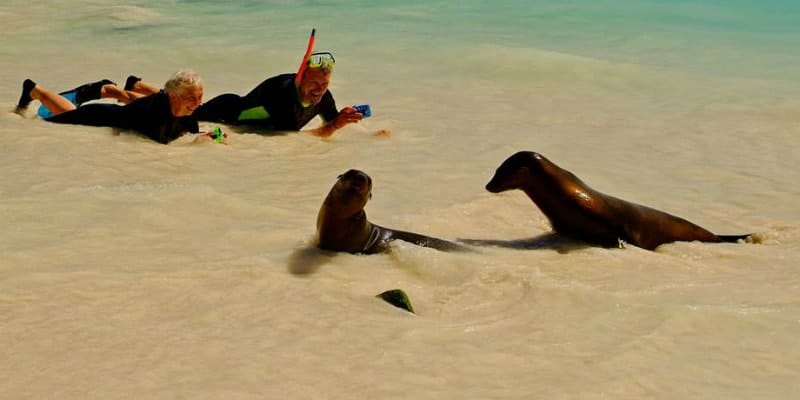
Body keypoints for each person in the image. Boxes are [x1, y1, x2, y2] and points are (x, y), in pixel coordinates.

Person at [15, 70, 227, 145]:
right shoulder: (154, 114)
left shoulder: (188, 112)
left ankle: (105, 88)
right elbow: (164, 143)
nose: (198, 103)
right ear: (174, 96)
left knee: (68, 112)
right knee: (49, 122)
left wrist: (213, 136)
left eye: (200, 97)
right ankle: (34, 90)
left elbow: (191, 133)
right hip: (99, 116)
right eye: (192, 98)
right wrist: (198, 143)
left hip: (118, 114)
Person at [192, 52, 363, 137]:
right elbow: (291, 139)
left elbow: (331, 121)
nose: (319, 90)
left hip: (248, 121)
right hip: (222, 114)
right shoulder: (283, 95)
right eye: (314, 83)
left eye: (324, 84)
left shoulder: (324, 97)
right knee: (185, 118)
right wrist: (334, 126)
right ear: (300, 78)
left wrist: (350, 122)